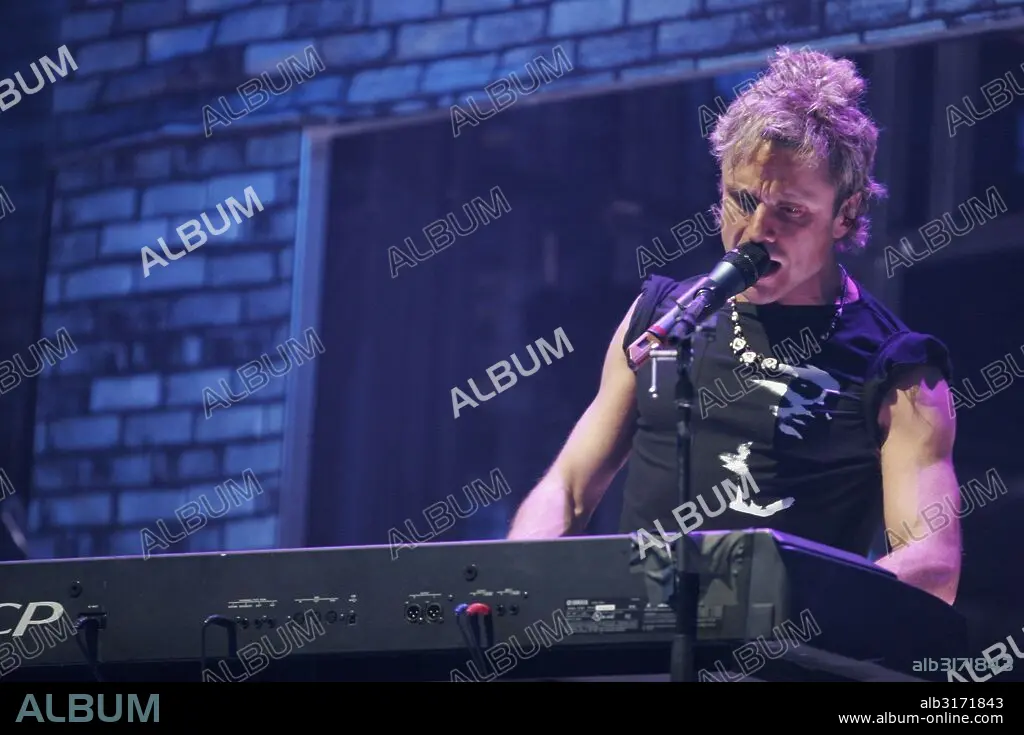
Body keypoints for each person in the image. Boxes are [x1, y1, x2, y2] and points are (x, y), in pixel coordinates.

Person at [507, 46, 961, 605]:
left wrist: (775, 604)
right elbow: (570, 489)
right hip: (633, 638)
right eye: (742, 200)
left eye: (790, 211)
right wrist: (514, 584)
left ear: (845, 213)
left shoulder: (899, 368)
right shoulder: (661, 317)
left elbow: (932, 564)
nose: (756, 231)